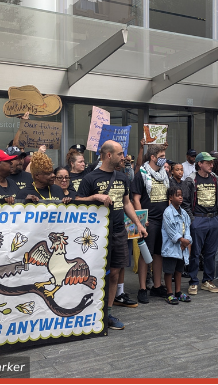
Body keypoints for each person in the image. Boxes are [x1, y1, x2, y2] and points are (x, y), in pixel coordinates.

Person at [77, 140, 148, 330]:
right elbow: (76, 201)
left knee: (115, 272)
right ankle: (89, 310)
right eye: (120, 154)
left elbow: (126, 203)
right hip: (97, 235)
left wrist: (138, 224)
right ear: (109, 155)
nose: (123, 157)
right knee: (95, 273)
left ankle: (107, 313)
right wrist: (94, 197)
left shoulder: (122, 177)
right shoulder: (90, 178)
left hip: (118, 232)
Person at [130, 144, 170, 303]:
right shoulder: (142, 174)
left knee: (159, 253)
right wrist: (141, 219)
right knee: (145, 255)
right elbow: (136, 199)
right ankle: (142, 288)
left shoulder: (165, 174)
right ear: (153, 157)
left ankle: (157, 286)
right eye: (161, 156)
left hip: (164, 220)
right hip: (149, 221)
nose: (163, 159)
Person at [182, 152, 218, 295]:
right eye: (208, 162)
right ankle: (193, 281)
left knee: (211, 252)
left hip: (213, 219)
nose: (212, 165)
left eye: (212, 162)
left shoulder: (215, 179)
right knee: (196, 252)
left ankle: (208, 281)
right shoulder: (190, 180)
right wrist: (193, 221)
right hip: (198, 219)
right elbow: (185, 203)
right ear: (200, 164)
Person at [161, 187, 192, 304]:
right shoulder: (167, 213)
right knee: (169, 271)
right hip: (171, 247)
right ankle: (169, 293)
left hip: (182, 247)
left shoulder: (184, 213)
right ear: (170, 197)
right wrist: (181, 240)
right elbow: (170, 230)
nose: (180, 197)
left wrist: (187, 240)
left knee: (179, 269)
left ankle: (178, 292)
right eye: (177, 195)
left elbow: (187, 228)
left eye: (181, 195)